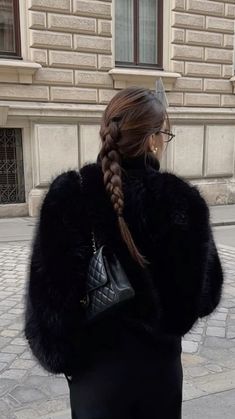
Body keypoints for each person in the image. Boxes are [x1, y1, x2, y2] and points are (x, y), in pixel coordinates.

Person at [24, 87, 223, 419]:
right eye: (165, 133)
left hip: (96, 380)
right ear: (153, 139)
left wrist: (68, 361)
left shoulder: (69, 195)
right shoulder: (184, 202)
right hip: (159, 376)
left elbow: (49, 312)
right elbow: (205, 297)